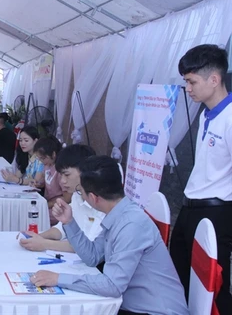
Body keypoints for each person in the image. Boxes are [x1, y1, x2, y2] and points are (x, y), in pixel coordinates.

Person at [31, 156, 189, 315]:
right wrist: (69, 222)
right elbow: (92, 256)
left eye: (81, 192)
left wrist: (58, 279)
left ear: (93, 197)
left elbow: (112, 286)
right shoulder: (118, 214)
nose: (80, 196)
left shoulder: (131, 225)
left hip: (155, 311)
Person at [170, 44, 232, 313]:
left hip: (216, 214)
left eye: (192, 81)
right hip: (190, 209)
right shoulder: (207, 114)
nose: (188, 88)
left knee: (211, 291)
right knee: (181, 282)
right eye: (186, 81)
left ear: (214, 79)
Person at [19, 144, 101, 252]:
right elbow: (61, 229)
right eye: (61, 175)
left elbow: (88, 246)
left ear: (85, 171)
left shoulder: (101, 203)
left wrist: (44, 244)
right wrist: (37, 236)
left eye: (67, 175)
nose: (62, 181)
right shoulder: (77, 196)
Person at [33, 136, 71, 224]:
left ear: (53, 154)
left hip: (58, 209)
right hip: (48, 205)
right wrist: (39, 184)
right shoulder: (47, 165)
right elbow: (46, 182)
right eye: (40, 159)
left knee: (33, 217)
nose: (41, 161)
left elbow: (67, 198)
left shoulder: (60, 170)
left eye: (43, 158)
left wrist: (46, 205)